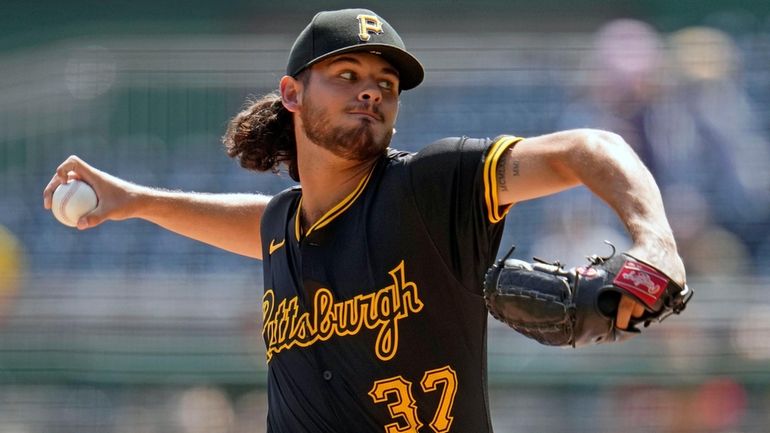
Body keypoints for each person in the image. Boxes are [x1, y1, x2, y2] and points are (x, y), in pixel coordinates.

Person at [43, 9, 686, 433]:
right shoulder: (285, 228)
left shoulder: (432, 187)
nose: (371, 90)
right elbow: (261, 224)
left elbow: (590, 148)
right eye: (346, 74)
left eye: (386, 81)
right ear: (291, 94)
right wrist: (136, 200)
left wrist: (654, 239)